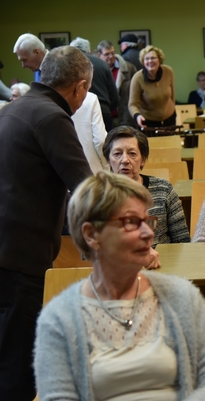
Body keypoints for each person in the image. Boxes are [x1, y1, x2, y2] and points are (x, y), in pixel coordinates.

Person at [34, 171, 205, 400]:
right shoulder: (59, 318)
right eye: (131, 222)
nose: (148, 233)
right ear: (91, 234)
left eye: (148, 221)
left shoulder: (181, 295)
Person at [0, 45, 93, 401]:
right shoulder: (52, 117)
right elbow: (86, 190)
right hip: (21, 259)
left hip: (6, 251)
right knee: (18, 371)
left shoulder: (14, 108)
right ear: (80, 87)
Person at [103, 126, 190, 259]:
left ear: (143, 160)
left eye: (132, 154)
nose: (125, 160)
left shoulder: (163, 189)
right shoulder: (97, 196)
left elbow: (182, 242)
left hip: (162, 264)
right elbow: (88, 253)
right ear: (108, 160)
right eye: (117, 154)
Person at [70, 37, 120, 132]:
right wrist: (106, 108)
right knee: (105, 140)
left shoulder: (70, 65)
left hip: (79, 112)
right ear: (89, 51)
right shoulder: (102, 64)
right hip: (104, 111)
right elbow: (114, 96)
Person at [129, 45, 176, 129]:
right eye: (146, 59)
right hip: (148, 123)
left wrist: (173, 109)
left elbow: (172, 95)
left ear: (159, 60)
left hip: (170, 120)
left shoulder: (168, 71)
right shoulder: (137, 78)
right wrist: (137, 116)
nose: (150, 61)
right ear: (143, 62)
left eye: (153, 58)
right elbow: (132, 104)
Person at [97, 39, 138, 127]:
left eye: (113, 53)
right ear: (99, 55)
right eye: (107, 54)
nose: (111, 56)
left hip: (125, 117)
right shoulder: (95, 71)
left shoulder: (129, 68)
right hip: (104, 117)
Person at [72, 92, 109, 173]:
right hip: (92, 168)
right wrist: (106, 165)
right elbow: (100, 140)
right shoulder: (90, 98)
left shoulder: (49, 99)